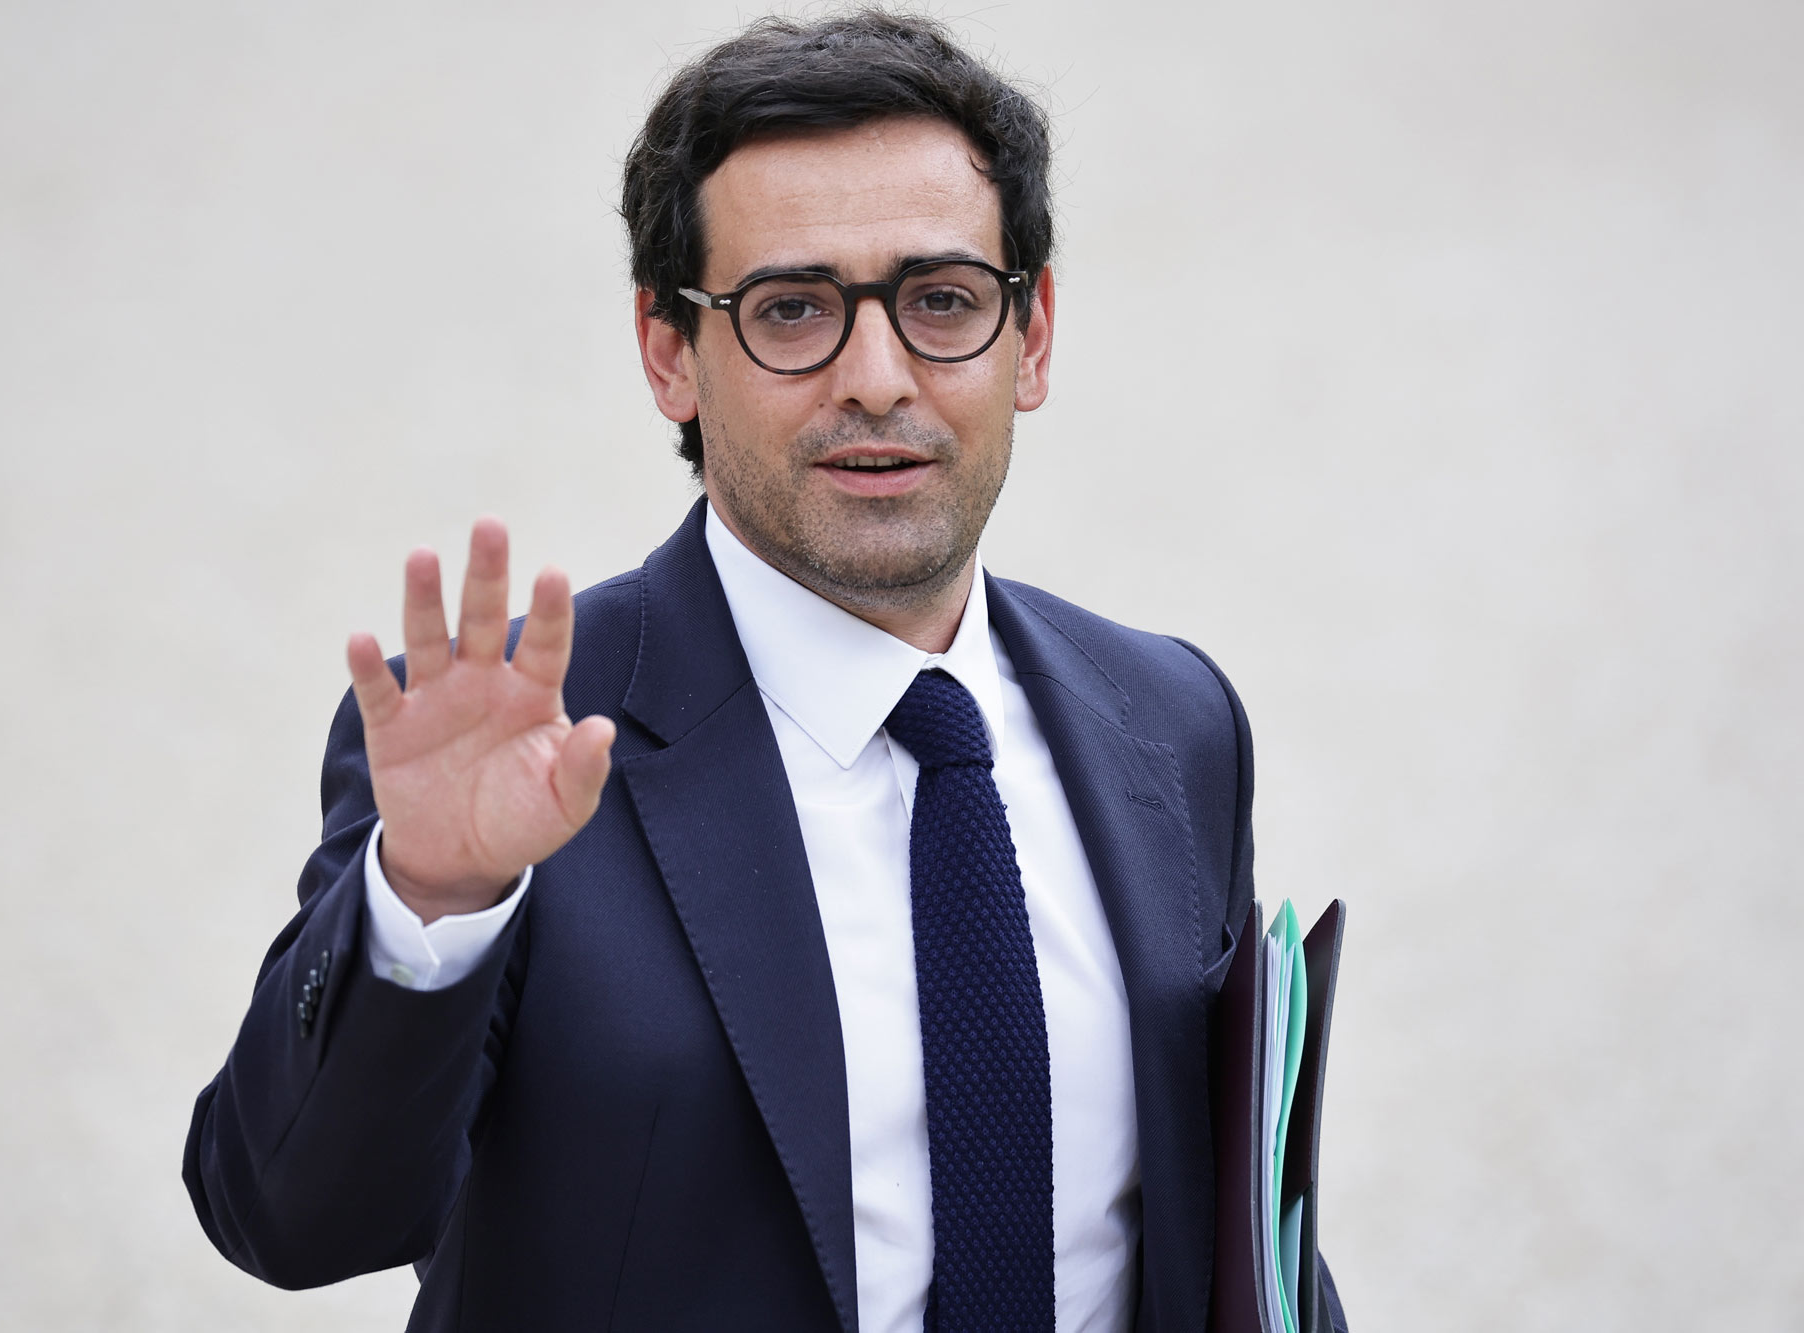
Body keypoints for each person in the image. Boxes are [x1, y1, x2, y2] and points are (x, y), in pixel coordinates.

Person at [184, 12, 1348, 1332]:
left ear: (1030, 337)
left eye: (943, 300)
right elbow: (292, 1221)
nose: (877, 378)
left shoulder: (1172, 721)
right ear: (669, 351)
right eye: (792, 310)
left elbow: (1242, 1240)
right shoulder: (510, 750)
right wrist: (433, 900)